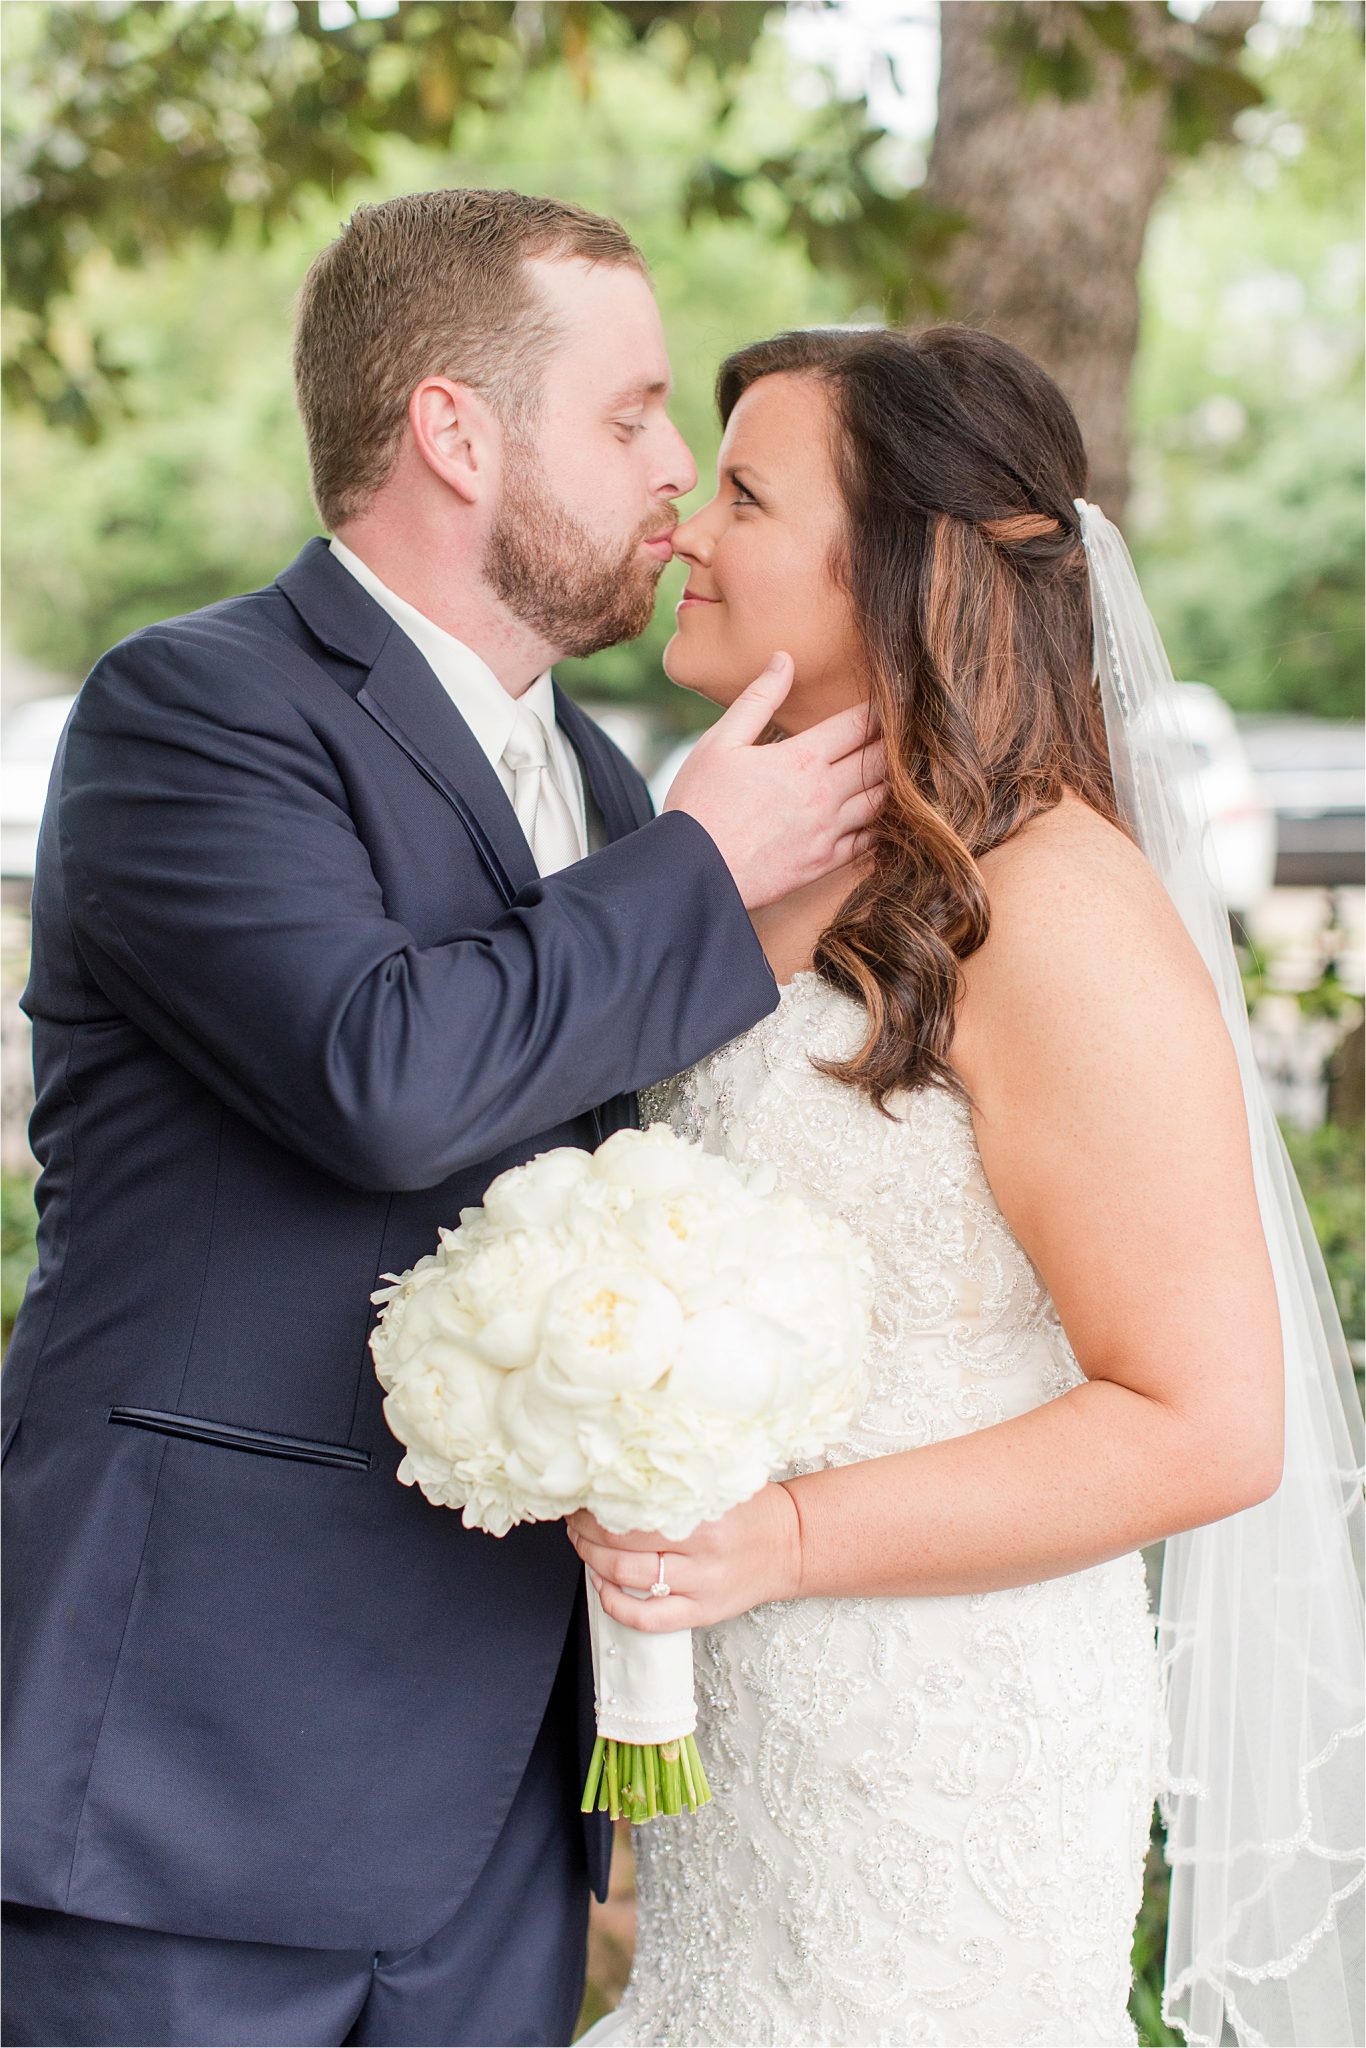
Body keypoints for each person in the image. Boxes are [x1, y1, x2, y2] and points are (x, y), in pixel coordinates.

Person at [0, 192, 884, 2048]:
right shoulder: (196, 711)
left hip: (495, 1802)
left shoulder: (605, 780)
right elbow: (381, 1077)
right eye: (631, 415)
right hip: (193, 1779)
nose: (670, 478)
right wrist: (707, 872)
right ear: (456, 431)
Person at [572, 325, 1365, 2046]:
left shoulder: (1059, 908)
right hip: (743, 1762)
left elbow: (1205, 1422)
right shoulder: (735, 858)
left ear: (902, 566)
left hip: (940, 1755)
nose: (684, 529)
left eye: (746, 492)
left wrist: (777, 1539)